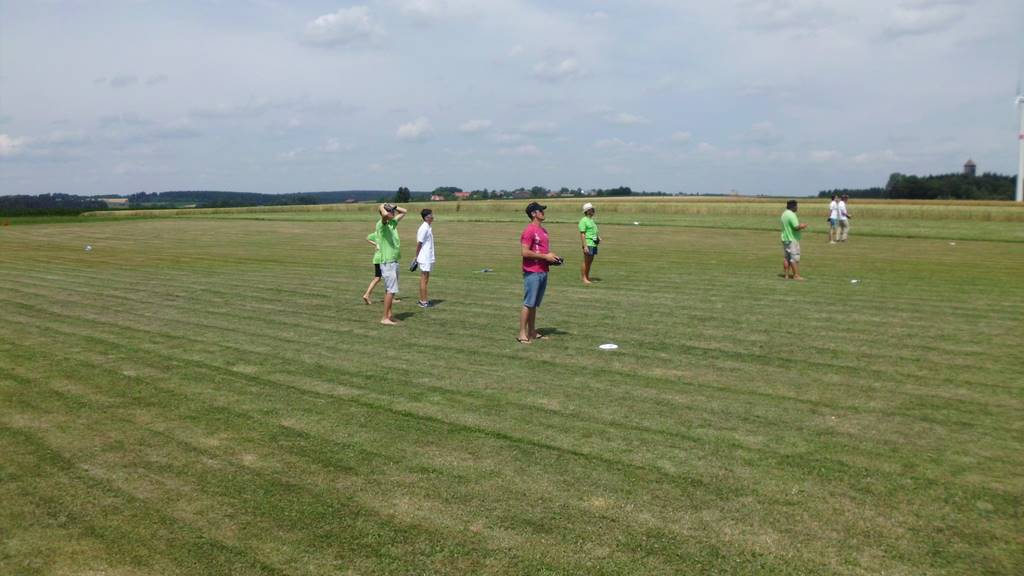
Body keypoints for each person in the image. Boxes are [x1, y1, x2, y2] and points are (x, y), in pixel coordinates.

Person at [518, 201, 561, 343]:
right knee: (528, 303)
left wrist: (552, 259)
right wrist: (545, 257)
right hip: (532, 271)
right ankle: (522, 334)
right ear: (533, 214)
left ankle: (532, 331)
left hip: (542, 270)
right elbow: (525, 252)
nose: (543, 212)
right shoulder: (529, 230)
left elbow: (543, 252)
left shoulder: (544, 231)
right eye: (540, 210)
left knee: (534, 303)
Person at [375, 202, 407, 325]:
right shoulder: (382, 223)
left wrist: (393, 206)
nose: (392, 212)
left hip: (393, 260)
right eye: (390, 211)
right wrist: (382, 206)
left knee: (391, 290)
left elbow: (404, 211)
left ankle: (389, 315)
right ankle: (384, 318)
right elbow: (384, 215)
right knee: (391, 290)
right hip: (387, 262)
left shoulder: (392, 223)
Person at [781, 199, 808, 280]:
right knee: (794, 258)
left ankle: (786, 275)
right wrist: (802, 226)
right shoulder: (792, 215)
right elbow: (796, 227)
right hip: (792, 239)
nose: (797, 208)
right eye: (796, 206)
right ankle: (796, 275)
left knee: (786, 258)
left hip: (785, 238)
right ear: (793, 206)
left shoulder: (784, 214)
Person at [414, 208, 435, 308]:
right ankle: (423, 301)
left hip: (427, 257)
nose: (433, 217)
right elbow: (419, 243)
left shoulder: (428, 227)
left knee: (426, 280)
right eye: (431, 215)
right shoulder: (424, 228)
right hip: (424, 257)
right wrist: (416, 256)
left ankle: (423, 300)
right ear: (426, 217)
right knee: (424, 279)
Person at [578, 202, 601, 284]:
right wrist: (585, 246)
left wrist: (598, 238)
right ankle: (584, 278)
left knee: (590, 262)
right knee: (586, 261)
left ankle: (587, 277)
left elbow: (593, 232)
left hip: (593, 243)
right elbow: (583, 234)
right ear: (587, 211)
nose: (593, 210)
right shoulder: (583, 220)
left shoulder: (591, 220)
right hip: (588, 244)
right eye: (592, 209)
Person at [362, 230, 382, 305]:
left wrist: (376, 244)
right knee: (388, 277)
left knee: (377, 278)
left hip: (376, 258)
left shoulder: (376, 234)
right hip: (382, 259)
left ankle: (367, 295)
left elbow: (367, 238)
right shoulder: (385, 234)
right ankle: (390, 297)